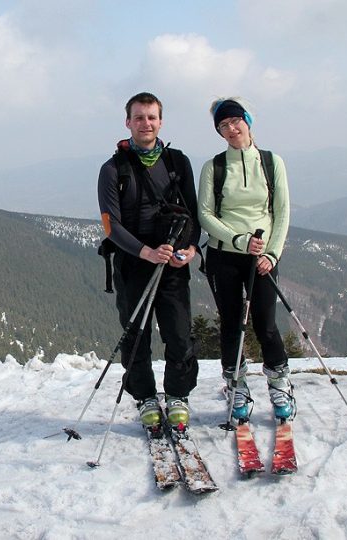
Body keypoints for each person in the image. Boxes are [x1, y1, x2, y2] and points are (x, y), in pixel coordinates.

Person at [97, 92, 201, 430]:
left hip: (172, 262)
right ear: (128, 122)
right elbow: (111, 226)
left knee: (179, 334)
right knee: (136, 335)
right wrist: (145, 252)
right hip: (133, 263)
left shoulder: (177, 162)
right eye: (139, 117)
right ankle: (145, 398)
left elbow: (193, 214)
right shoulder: (113, 169)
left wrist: (191, 250)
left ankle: (177, 396)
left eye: (152, 117)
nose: (146, 123)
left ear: (161, 121)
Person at [197, 97, 295, 420]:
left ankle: (280, 385)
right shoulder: (214, 167)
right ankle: (236, 386)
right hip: (223, 255)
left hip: (262, 258)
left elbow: (281, 212)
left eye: (235, 121)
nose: (231, 129)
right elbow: (205, 215)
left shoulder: (271, 162)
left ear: (248, 121)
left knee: (265, 323)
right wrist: (237, 239)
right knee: (231, 323)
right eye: (223, 126)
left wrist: (272, 253)